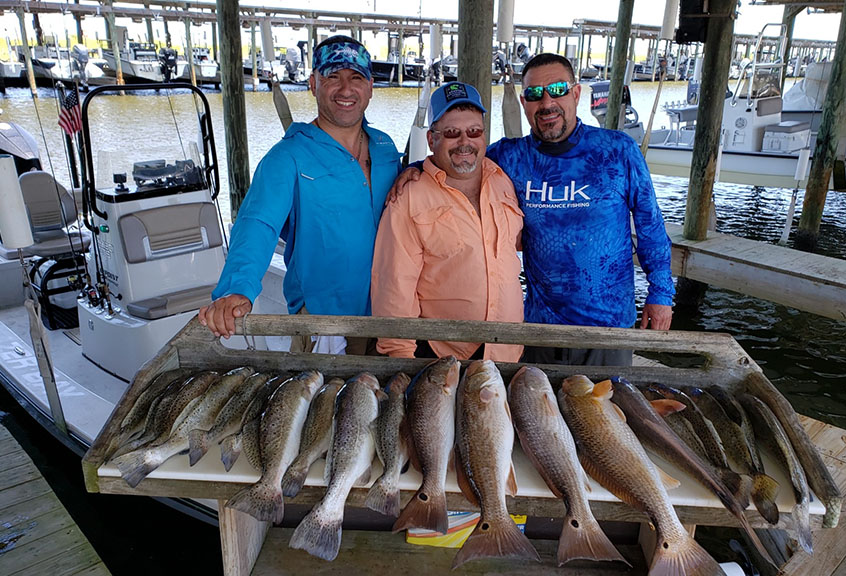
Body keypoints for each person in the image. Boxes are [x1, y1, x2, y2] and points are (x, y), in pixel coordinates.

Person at [391, 53, 674, 366]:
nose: (547, 103)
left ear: (576, 93)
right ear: (524, 102)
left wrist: (660, 294)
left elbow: (650, 227)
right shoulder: (509, 157)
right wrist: (418, 167)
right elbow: (461, 156)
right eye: (535, 94)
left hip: (608, 329)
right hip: (538, 329)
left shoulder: (619, 151)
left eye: (558, 89)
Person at [199, 36, 401, 354]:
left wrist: (419, 171)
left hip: (391, 318)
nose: (345, 89)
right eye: (333, 76)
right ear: (313, 83)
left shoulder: (386, 147)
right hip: (326, 326)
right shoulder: (288, 156)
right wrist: (237, 288)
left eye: (356, 77)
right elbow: (257, 224)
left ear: (371, 86)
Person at [371, 82, 524, 362]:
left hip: (507, 350)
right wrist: (400, 357)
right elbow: (394, 284)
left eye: (474, 132)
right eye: (452, 133)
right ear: (431, 140)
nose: (465, 142)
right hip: (442, 356)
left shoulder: (503, 180)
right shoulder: (409, 196)